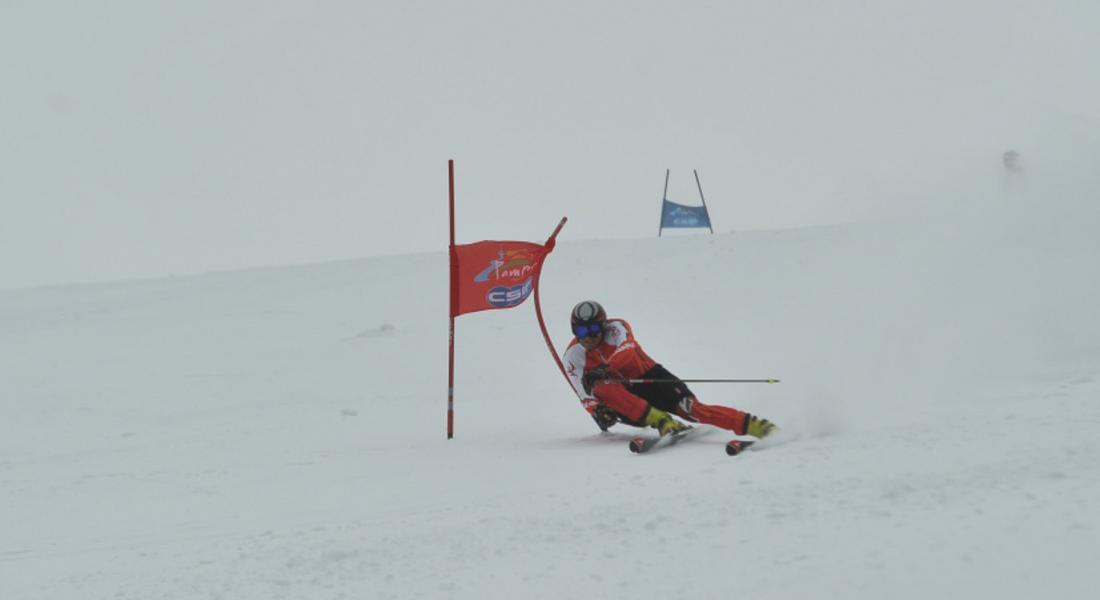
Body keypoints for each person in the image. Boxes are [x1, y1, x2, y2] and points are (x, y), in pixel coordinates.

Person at [563, 300, 778, 438]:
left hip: (651, 379)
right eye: (582, 330)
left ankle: (755, 426)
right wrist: (597, 411)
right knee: (599, 387)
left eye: (593, 328)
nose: (589, 336)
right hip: (627, 399)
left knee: (693, 410)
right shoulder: (573, 356)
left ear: (603, 325)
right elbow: (582, 392)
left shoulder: (617, 328)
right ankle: (661, 421)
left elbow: (627, 350)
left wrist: (606, 368)